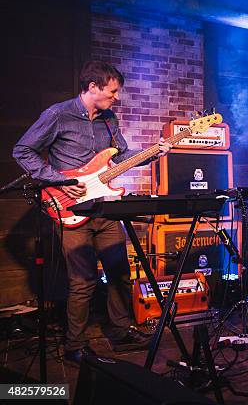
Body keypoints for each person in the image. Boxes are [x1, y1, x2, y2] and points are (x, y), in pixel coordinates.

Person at [13, 60, 172, 364]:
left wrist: (154, 152)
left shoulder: (109, 119)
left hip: (105, 209)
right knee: (83, 280)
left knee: (120, 273)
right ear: (92, 88)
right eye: (112, 92)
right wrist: (59, 180)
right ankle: (75, 344)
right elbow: (22, 150)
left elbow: (122, 155)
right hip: (70, 208)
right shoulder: (58, 114)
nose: (116, 98)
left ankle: (121, 329)